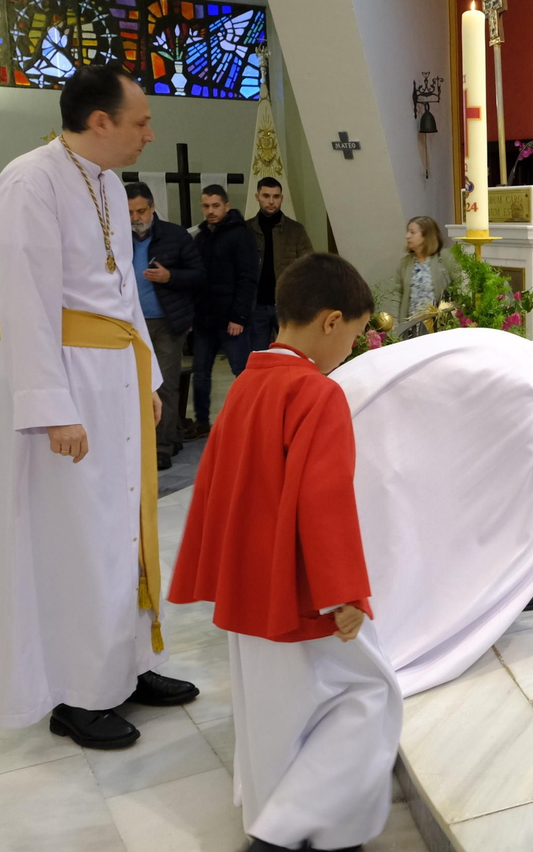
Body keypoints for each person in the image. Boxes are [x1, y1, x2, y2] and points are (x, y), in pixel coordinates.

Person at [0, 64, 198, 746]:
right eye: (140, 122)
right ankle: (79, 691)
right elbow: (24, 304)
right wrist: (53, 408)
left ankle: (126, 666)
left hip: (113, 378)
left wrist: (152, 382)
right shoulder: (29, 182)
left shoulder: (106, 183)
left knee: (121, 528)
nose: (148, 135)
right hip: (64, 383)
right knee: (75, 537)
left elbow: (122, 293)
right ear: (99, 121)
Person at [169, 254, 399, 852]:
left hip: (249, 586)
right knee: (370, 697)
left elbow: (220, 484)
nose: (348, 350)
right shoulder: (315, 393)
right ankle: (288, 834)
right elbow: (325, 502)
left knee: (273, 717)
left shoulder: (247, 380)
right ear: (330, 322)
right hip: (299, 590)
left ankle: (278, 818)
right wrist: (344, 591)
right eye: (352, 336)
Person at [330, 310, 533, 696]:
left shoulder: (508, 348)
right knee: (394, 548)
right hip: (364, 441)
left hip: (353, 401)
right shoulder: (525, 386)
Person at [126, 182, 204, 469]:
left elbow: (198, 275)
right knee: (133, 385)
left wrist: (170, 276)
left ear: (153, 206)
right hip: (131, 325)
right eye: (130, 212)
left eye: (141, 210)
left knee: (165, 384)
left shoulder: (174, 235)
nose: (136, 217)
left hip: (167, 323)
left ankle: (163, 445)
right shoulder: (118, 237)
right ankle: (143, 439)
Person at [188, 183, 258, 438]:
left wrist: (238, 316)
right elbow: (196, 280)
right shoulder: (201, 238)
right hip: (205, 318)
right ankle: (202, 421)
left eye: (216, 206)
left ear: (226, 206)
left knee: (241, 372)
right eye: (206, 206)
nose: (211, 211)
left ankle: (247, 420)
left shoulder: (240, 235)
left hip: (232, 319)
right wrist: (192, 316)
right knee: (201, 372)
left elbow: (248, 278)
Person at [244, 177, 314, 352]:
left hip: (286, 306)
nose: (271, 201)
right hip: (256, 306)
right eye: (266, 196)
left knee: (293, 354)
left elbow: (309, 268)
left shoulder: (296, 230)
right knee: (258, 358)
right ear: (257, 196)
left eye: (275, 196)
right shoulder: (245, 230)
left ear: (281, 198)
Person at [394, 215, 460, 337]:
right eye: (407, 232)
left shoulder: (445, 258)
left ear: (426, 236)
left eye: (412, 232)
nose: (407, 236)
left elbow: (461, 285)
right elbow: (396, 295)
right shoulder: (405, 263)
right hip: (411, 330)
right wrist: (394, 323)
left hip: (440, 329)